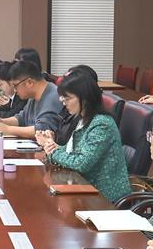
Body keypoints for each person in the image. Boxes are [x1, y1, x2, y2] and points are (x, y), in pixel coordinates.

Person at [34, 72, 130, 204]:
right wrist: (52, 146)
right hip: (85, 189)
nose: (63, 102)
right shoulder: (83, 119)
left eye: (67, 98)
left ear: (84, 99)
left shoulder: (101, 124)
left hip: (105, 198)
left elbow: (82, 163)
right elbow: (74, 151)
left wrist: (53, 152)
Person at [0, 59, 62, 139]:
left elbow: (42, 130)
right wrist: (2, 121)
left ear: (29, 83)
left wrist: (8, 129)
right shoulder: (33, 95)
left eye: (15, 86)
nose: (15, 90)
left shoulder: (53, 97)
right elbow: (22, 118)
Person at [52, 64, 100, 145]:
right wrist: (52, 140)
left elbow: (79, 153)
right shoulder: (80, 116)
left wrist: (52, 148)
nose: (61, 100)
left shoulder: (100, 125)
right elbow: (68, 148)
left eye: (67, 97)